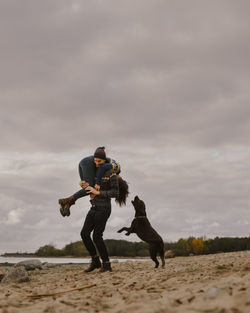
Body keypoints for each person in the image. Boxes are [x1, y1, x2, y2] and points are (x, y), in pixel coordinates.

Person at [59, 147, 128, 217]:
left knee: (87, 187)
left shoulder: (110, 173)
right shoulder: (117, 168)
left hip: (84, 163)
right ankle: (68, 201)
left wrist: (82, 182)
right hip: (88, 163)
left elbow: (98, 175)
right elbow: (102, 167)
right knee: (91, 188)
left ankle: (67, 203)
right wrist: (97, 183)